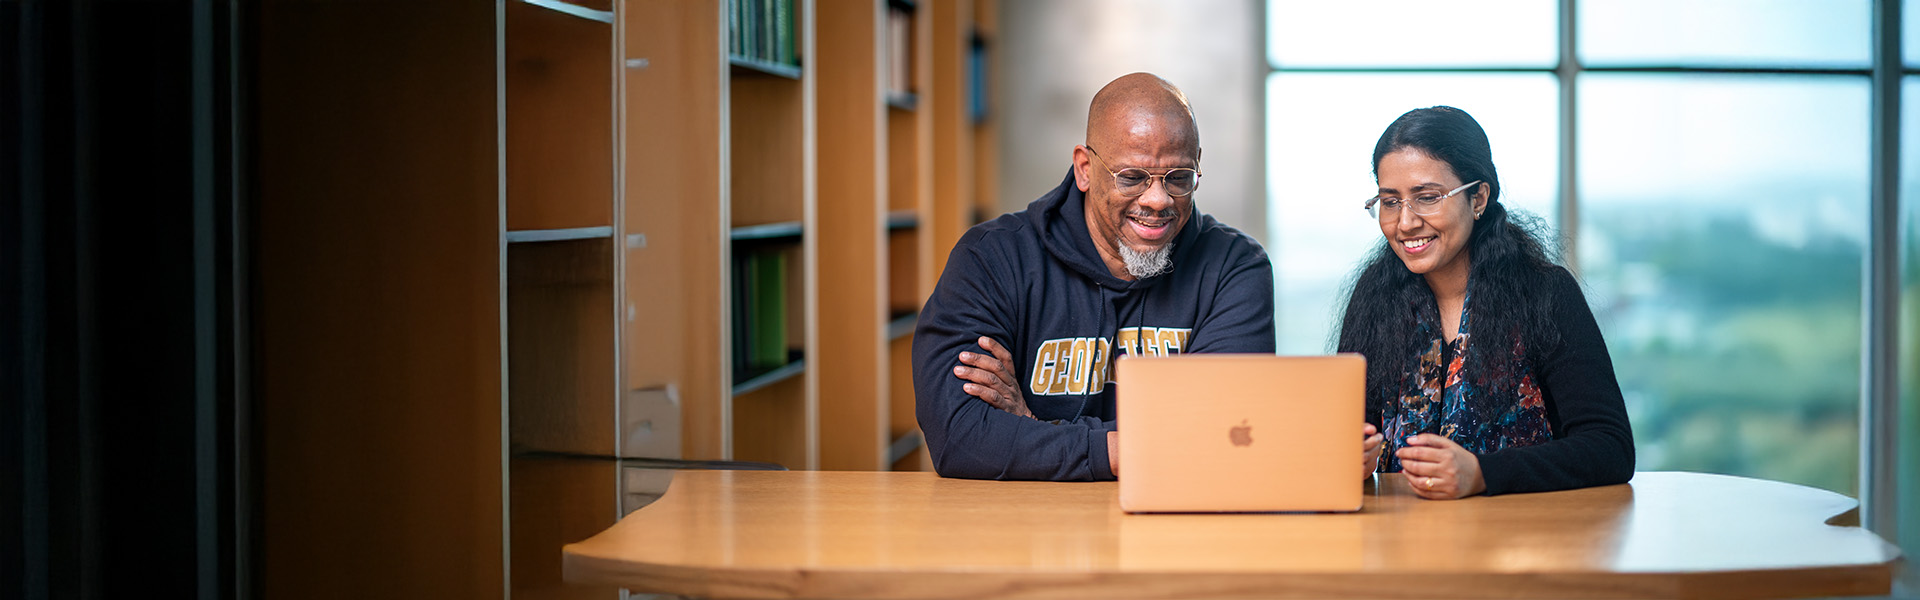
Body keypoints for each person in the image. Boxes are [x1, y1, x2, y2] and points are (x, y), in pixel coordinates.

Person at [914, 73, 1381, 482]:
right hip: (1025, 534)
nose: (1158, 199)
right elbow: (957, 437)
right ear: (1084, 168)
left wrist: (1032, 426)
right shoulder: (993, 258)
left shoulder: (1234, 266)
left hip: (1179, 536)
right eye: (1133, 176)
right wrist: (1139, 446)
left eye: (1178, 177)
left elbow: (1226, 441)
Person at [1338, 106, 1635, 499]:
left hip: (1523, 543)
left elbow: (1609, 447)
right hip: (1401, 544)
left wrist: (1482, 474)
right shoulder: (1375, 296)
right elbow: (1345, 433)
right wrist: (1347, 458)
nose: (1405, 222)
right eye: (1390, 202)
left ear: (1478, 197)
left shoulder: (1543, 293)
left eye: (1427, 197)